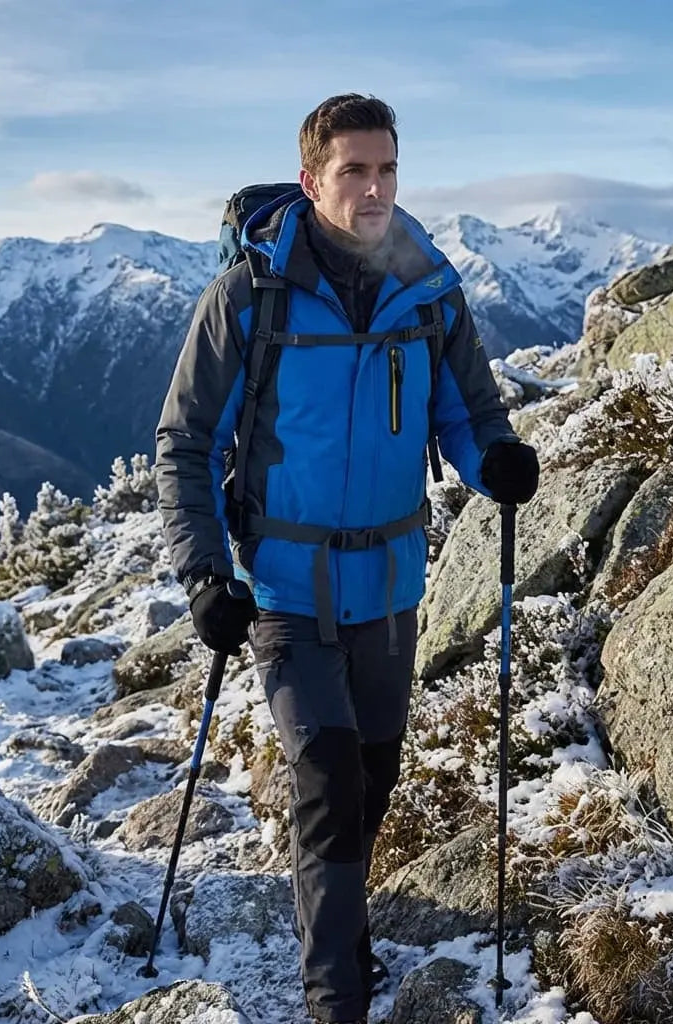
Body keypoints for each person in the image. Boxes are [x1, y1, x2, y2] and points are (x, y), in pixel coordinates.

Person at [155, 93, 539, 1024]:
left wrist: (497, 461)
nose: (374, 189)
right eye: (353, 170)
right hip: (285, 586)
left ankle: (340, 920)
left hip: (392, 584)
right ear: (311, 179)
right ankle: (337, 996)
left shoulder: (430, 288)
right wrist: (207, 573)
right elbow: (188, 443)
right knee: (326, 780)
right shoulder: (249, 297)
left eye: (387, 169)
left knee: (371, 779)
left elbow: (468, 413)